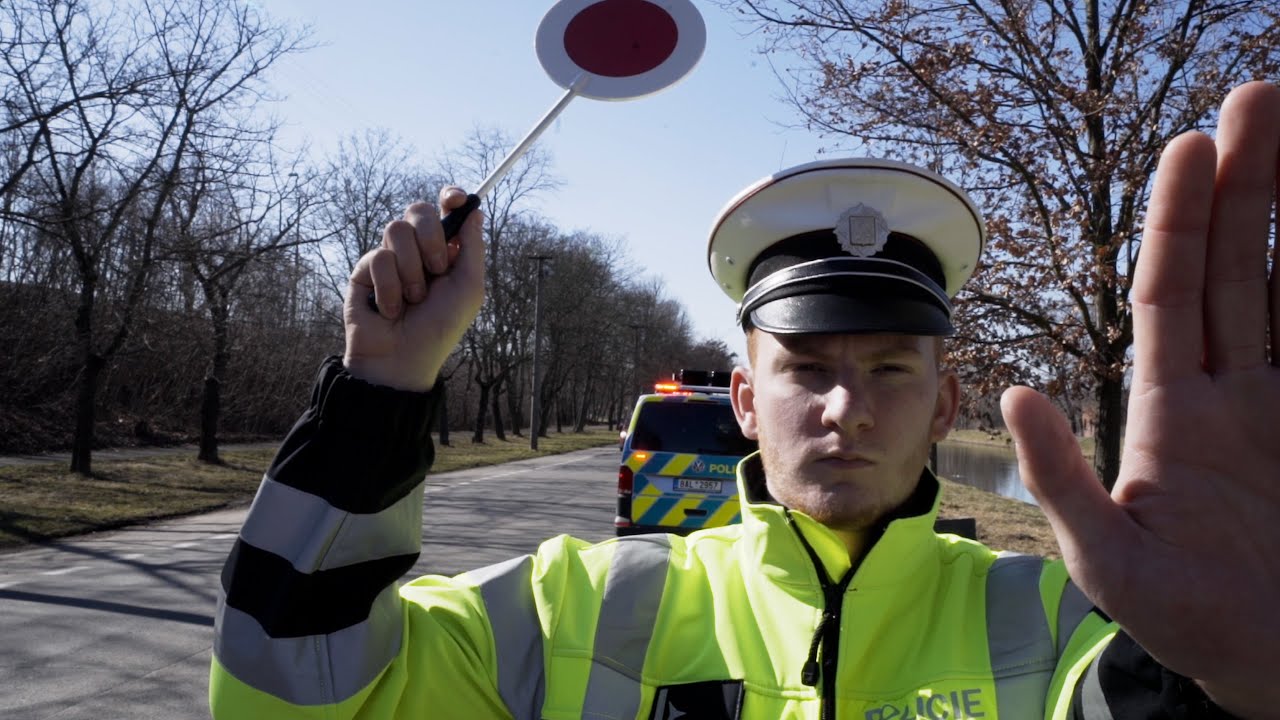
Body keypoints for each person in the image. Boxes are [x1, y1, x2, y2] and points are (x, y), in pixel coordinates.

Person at [209, 81, 1280, 719]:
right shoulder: (571, 608)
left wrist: (1235, 689)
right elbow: (293, 686)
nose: (844, 408)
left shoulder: (1057, 625)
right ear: (742, 397)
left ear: (947, 397)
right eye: (804, 368)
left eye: (891, 371)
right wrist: (378, 391)